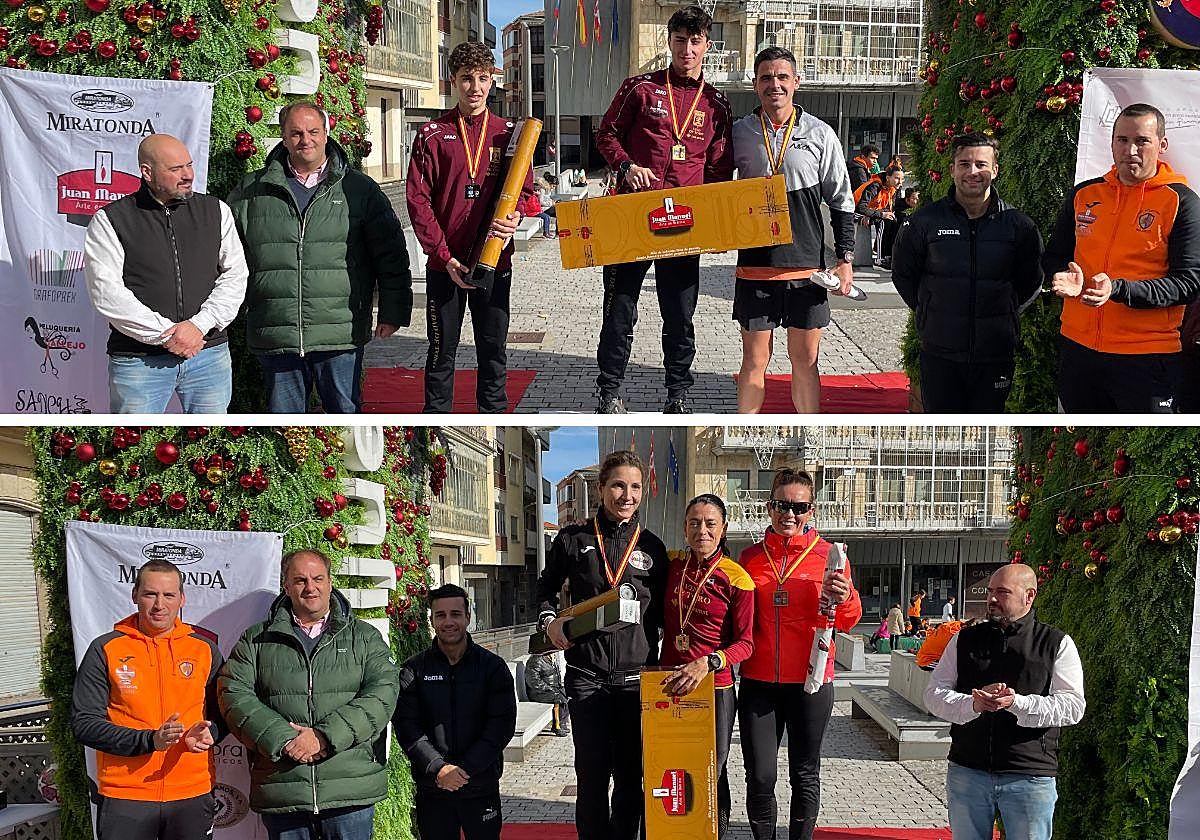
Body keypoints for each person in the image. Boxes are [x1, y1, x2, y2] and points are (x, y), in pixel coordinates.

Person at [593, 4, 734, 413]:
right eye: (680, 40)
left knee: (680, 316)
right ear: (669, 42)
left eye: (695, 41)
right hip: (633, 216)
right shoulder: (640, 88)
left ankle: (678, 394)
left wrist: (717, 225)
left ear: (707, 46)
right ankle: (609, 391)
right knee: (619, 310)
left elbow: (719, 169)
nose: (687, 49)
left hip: (683, 224)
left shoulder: (716, 104)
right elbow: (606, 134)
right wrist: (626, 166)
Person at [227, 101, 411, 414]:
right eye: (296, 133)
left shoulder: (358, 189)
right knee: (286, 426)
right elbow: (227, 256)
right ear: (284, 138)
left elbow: (390, 253)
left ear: (326, 134)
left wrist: (393, 311)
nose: (306, 140)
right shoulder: (251, 191)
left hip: (339, 332)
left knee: (344, 418)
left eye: (313, 131)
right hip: (277, 331)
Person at [218, 549, 399, 840]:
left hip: (349, 793)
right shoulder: (256, 639)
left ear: (330, 582)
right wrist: (284, 739)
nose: (310, 587)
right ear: (286, 586)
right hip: (284, 788)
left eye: (318, 578)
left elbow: (383, 693)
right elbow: (233, 694)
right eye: (300, 580)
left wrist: (324, 736)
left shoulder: (364, 638)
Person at [534, 450, 669, 840]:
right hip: (586, 678)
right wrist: (549, 621)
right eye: (618, 486)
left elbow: (667, 611)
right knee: (591, 776)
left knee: (630, 777)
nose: (627, 495)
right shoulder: (573, 539)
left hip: (635, 681)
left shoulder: (653, 547)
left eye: (635, 487)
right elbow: (544, 589)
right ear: (601, 489)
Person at [1043, 102, 1200, 412]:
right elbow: (1054, 256)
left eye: (1142, 141)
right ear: (1112, 142)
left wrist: (1119, 290)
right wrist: (1059, 275)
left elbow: (1189, 283)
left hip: (1147, 357)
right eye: (1123, 140)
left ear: (1162, 145)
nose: (1131, 150)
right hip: (1078, 350)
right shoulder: (1084, 194)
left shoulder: (1181, 202)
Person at [407, 41, 534, 413]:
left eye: (482, 78)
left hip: (493, 261)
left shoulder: (510, 134)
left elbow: (526, 193)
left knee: (493, 350)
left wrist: (517, 215)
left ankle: (494, 415)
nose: (475, 87)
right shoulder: (432, 134)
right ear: (453, 80)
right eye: (466, 78)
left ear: (492, 81)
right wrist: (442, 255)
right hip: (446, 264)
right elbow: (418, 200)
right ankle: (435, 421)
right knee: (440, 351)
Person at [737, 468, 862, 840]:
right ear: (769, 506)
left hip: (811, 681)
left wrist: (846, 597)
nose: (789, 514)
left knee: (804, 773)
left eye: (799, 507)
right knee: (760, 775)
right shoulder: (749, 558)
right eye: (781, 505)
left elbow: (848, 620)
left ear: (812, 510)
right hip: (759, 682)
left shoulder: (830, 556)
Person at [731, 46, 856, 415]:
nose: (775, 84)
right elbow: (714, 188)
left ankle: (810, 429)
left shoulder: (820, 133)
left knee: (805, 361)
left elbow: (841, 199)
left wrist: (845, 258)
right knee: (754, 362)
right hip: (755, 266)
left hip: (806, 270)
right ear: (755, 84)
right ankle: (745, 427)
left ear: (797, 82)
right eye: (766, 77)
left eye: (782, 76)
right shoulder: (739, 133)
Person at [83, 134, 247, 413]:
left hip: (208, 355)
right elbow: (106, 292)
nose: (187, 175)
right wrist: (167, 335)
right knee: (134, 439)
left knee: (210, 438)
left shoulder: (216, 211)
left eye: (189, 165)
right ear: (147, 172)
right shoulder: (111, 220)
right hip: (139, 361)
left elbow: (235, 274)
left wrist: (199, 326)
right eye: (175, 169)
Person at [925, 564, 1086, 840]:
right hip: (968, 769)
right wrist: (972, 705)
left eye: (1002, 592)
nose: (992, 599)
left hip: (1029, 775)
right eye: (990, 591)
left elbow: (1072, 707)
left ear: (1029, 595)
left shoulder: (1055, 643)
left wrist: (1016, 703)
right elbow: (933, 695)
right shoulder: (965, 639)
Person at [71, 559, 225, 840]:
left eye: (169, 595)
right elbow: (84, 724)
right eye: (150, 594)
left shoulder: (204, 650)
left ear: (182, 599)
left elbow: (226, 714)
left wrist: (211, 732)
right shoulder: (106, 648)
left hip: (192, 792)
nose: (159, 605)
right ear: (135, 595)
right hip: (126, 795)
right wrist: (149, 741)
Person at [892, 132, 1044, 412]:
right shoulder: (925, 222)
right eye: (964, 164)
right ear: (952, 169)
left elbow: (1031, 280)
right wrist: (930, 309)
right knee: (943, 430)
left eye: (981, 164)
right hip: (939, 351)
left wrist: (1005, 311)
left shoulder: (1019, 226)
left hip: (995, 352)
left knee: (986, 430)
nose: (973, 171)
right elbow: (903, 274)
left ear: (995, 170)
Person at [659, 494, 754, 838]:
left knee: (712, 768)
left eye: (710, 523)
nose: (702, 530)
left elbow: (746, 644)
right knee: (670, 764)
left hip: (715, 688)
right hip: (668, 685)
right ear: (684, 528)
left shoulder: (738, 578)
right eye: (694, 523)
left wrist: (709, 662)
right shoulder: (671, 564)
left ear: (723, 528)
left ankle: (715, 830)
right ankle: (672, 830)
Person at [394, 584, 517, 840]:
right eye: (441, 615)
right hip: (433, 788)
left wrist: (463, 770)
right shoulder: (414, 670)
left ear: (468, 617)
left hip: (480, 786)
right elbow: (407, 728)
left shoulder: (492, 668)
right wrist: (438, 768)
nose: (448, 622)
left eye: (456, 614)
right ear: (432, 620)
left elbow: (500, 727)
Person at [853, 165, 903, 264]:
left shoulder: (893, 188)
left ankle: (888, 255)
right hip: (854, 212)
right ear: (888, 178)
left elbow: (889, 208)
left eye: (902, 179)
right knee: (882, 222)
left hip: (869, 212)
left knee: (893, 220)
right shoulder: (875, 186)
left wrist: (875, 214)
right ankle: (879, 259)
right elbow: (861, 207)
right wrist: (878, 214)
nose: (900, 182)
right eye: (897, 178)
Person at [524, 650, 570, 735]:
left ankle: (562, 722)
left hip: (552, 689)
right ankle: (557, 726)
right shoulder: (536, 659)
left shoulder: (552, 656)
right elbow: (533, 681)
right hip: (538, 692)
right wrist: (549, 689)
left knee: (568, 694)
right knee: (558, 698)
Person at [880, 186, 920, 268]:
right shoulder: (900, 212)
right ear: (907, 199)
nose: (917, 201)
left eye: (918, 198)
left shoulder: (917, 208)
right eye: (914, 198)